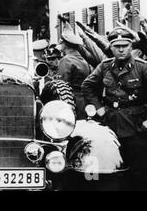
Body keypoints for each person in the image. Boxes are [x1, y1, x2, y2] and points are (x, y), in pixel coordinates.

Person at [82, 27, 147, 190]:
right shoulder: (105, 66)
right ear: (110, 47)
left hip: (135, 126)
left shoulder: (142, 68)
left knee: (138, 171)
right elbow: (87, 85)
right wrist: (99, 109)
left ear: (131, 46)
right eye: (116, 46)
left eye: (124, 45)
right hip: (109, 125)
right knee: (106, 167)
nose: (120, 49)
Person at [58, 31, 92, 120]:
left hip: (71, 101)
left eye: (61, 43)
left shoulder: (66, 60)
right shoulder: (85, 61)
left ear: (65, 45)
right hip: (85, 102)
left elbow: (62, 85)